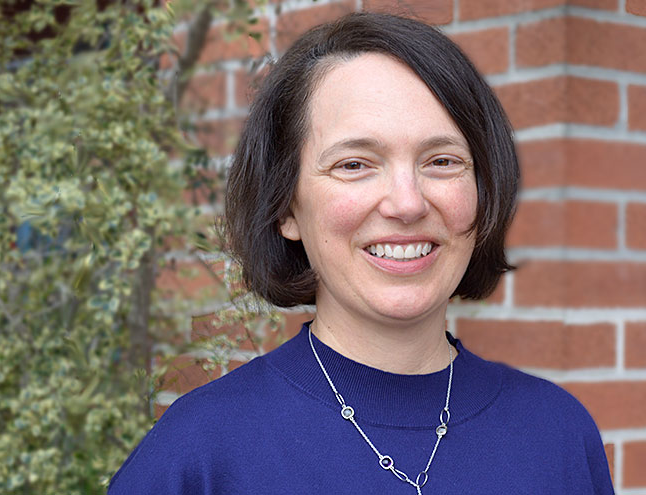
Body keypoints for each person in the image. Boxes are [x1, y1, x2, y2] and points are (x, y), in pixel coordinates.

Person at [109, 12, 614, 495]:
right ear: (286, 207)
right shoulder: (199, 455)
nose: (407, 203)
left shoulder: (560, 435)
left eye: (442, 161)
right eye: (354, 164)